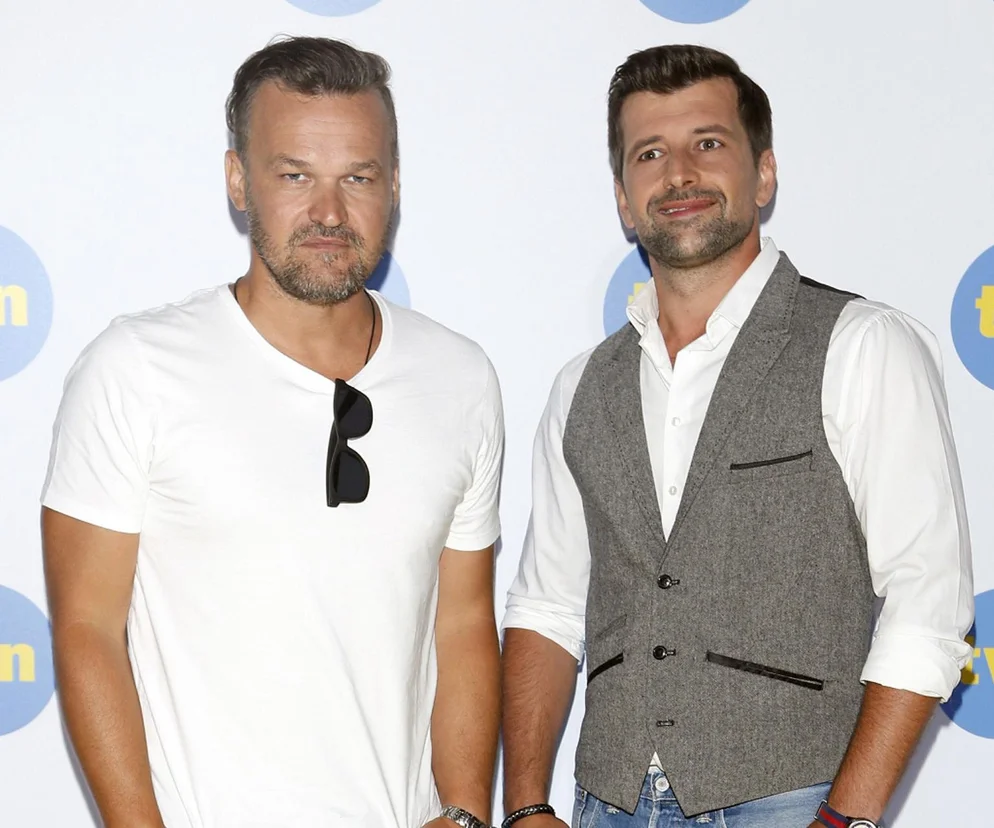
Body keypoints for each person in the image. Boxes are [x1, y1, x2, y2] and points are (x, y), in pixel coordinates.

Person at [500, 44, 974, 828]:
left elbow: (927, 604)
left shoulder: (860, 345)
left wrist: (843, 819)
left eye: (708, 142)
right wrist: (524, 806)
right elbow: (547, 608)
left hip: (794, 800)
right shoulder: (580, 387)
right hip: (604, 801)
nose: (679, 173)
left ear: (764, 174)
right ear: (623, 200)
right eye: (650, 153)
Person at [41, 36, 502, 828]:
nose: (329, 212)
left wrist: (463, 814)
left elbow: (462, 625)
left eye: (357, 177)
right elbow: (87, 631)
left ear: (393, 186)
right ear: (238, 180)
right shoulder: (136, 368)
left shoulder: (460, 377)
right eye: (295, 176)